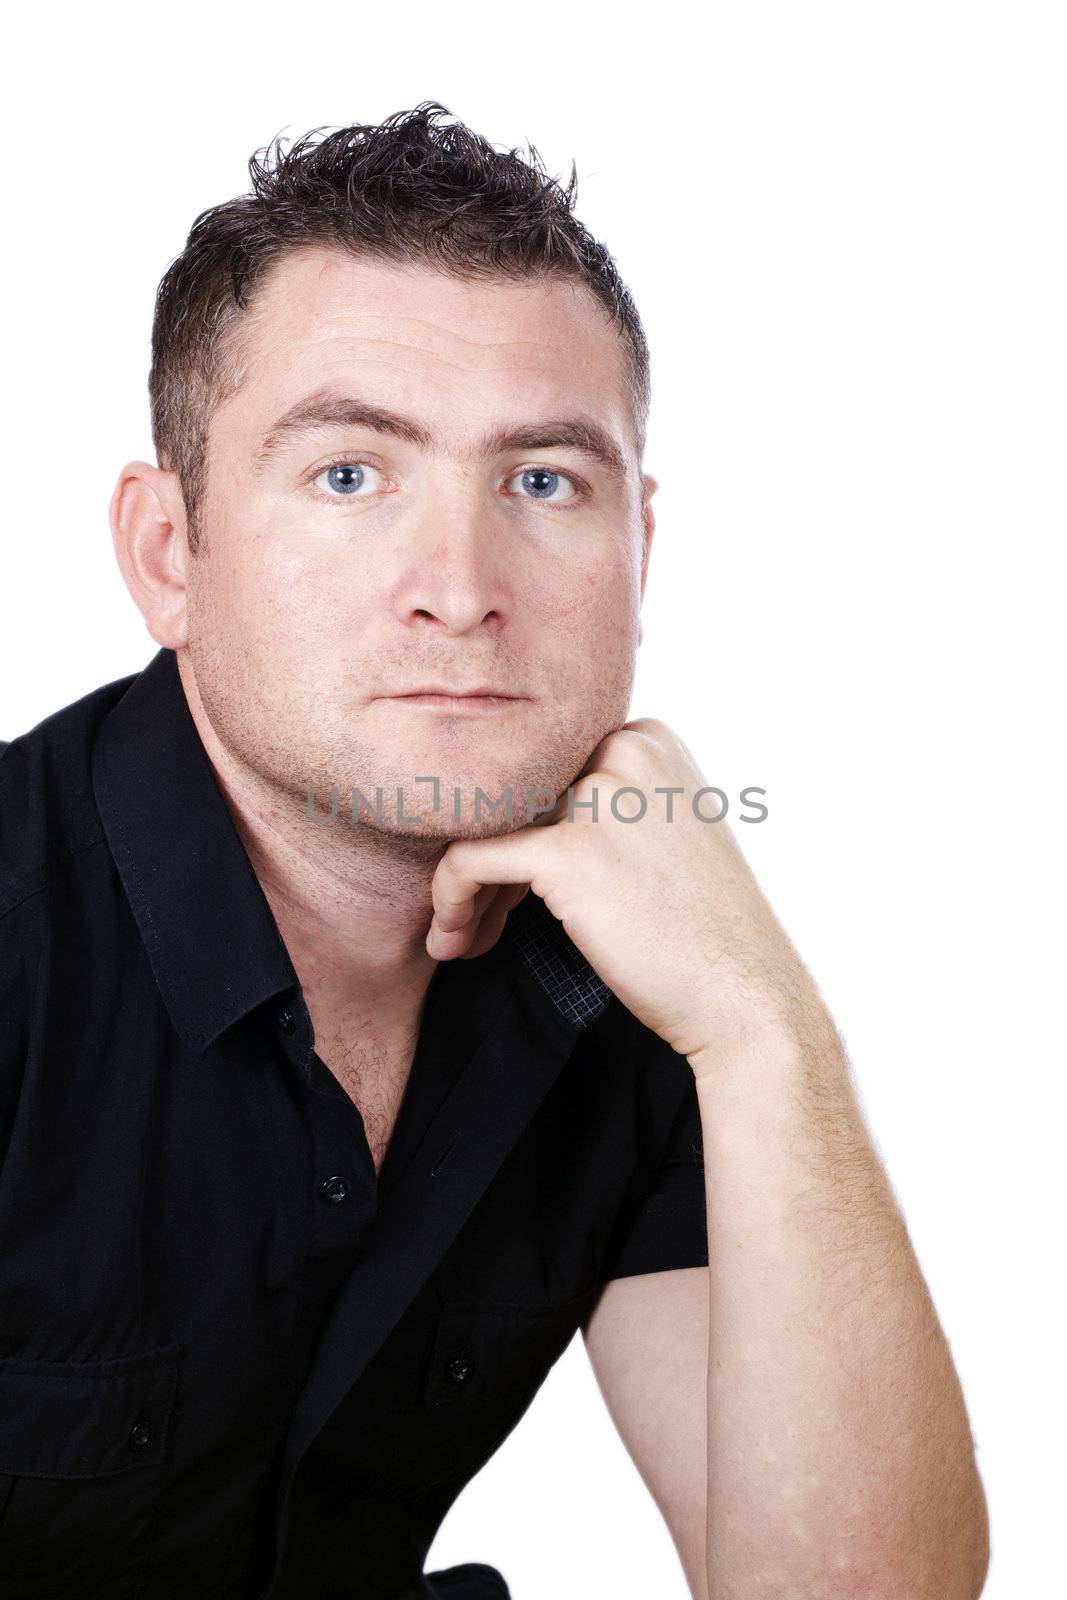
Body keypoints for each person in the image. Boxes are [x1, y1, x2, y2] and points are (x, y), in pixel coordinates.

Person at [0, 103, 988, 1600]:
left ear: (640, 551)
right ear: (168, 554)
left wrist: (763, 1027)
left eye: (543, 482)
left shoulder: (630, 957)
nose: (459, 592)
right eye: (349, 475)